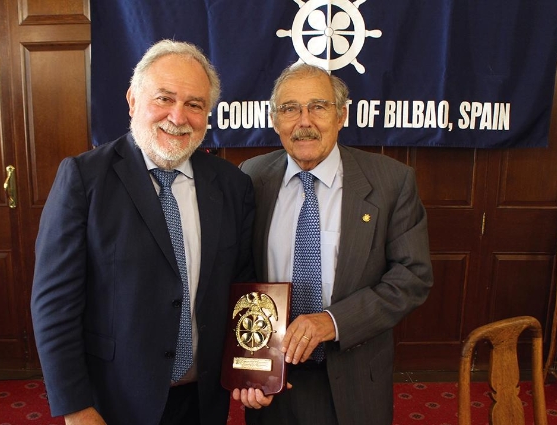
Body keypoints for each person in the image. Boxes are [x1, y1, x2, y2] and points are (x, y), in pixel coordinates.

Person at [31, 39, 255, 425]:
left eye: (195, 104)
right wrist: (75, 407)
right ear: (133, 100)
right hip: (114, 402)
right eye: (164, 98)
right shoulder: (84, 179)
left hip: (203, 400)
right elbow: (54, 305)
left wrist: (252, 367)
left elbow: (242, 287)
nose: (178, 116)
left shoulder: (232, 186)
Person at [233, 63, 433, 425]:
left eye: (318, 107)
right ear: (276, 120)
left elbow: (412, 276)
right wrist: (248, 364)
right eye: (290, 108)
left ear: (341, 116)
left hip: (356, 375)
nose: (304, 121)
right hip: (273, 380)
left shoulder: (391, 181)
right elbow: (240, 275)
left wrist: (332, 322)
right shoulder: (251, 176)